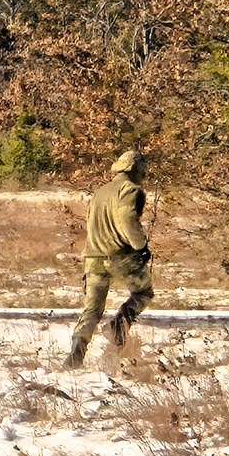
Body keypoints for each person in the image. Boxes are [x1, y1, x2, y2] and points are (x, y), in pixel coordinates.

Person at [64, 150, 154, 369]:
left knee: (92, 310)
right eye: (143, 168)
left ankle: (76, 353)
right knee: (143, 293)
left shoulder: (100, 192)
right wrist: (140, 246)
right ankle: (118, 326)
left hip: (93, 257)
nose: (145, 173)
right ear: (135, 168)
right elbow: (127, 219)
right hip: (120, 256)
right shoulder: (130, 190)